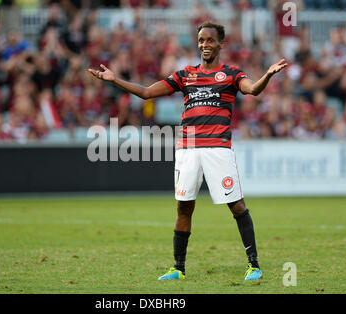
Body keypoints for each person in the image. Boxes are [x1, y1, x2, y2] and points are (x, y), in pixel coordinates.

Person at [88, 21, 287, 281]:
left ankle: (254, 265)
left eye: (210, 40)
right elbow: (147, 93)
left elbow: (252, 90)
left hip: (217, 149)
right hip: (187, 150)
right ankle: (178, 268)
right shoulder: (185, 75)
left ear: (221, 44)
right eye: (201, 40)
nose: (205, 44)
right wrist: (115, 80)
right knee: (184, 208)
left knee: (236, 205)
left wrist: (267, 76)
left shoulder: (231, 74)